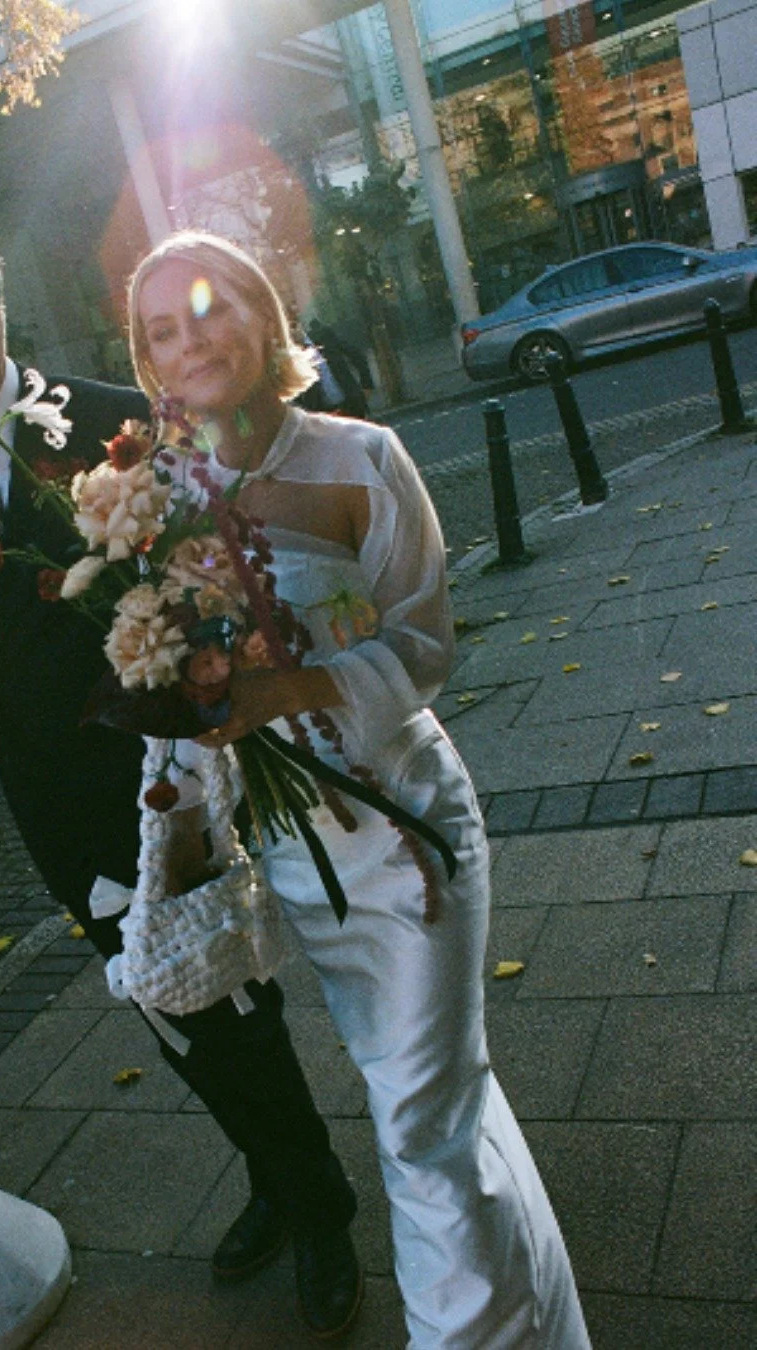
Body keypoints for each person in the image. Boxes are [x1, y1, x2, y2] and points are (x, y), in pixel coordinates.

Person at [0, 221, 362, 1339]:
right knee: (165, 1006)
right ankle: (276, 1174)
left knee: (228, 992)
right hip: (54, 806)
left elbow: (214, 576)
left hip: (172, 775)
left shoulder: (110, 422)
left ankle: (318, 1202)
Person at [127, 230, 592, 1349]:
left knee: (421, 1130)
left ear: (265, 313)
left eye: (211, 307)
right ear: (145, 362)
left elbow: (425, 647)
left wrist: (288, 688)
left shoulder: (361, 457)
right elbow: (170, 681)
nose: (190, 340)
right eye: (160, 330)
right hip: (304, 864)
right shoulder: (153, 497)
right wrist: (180, 800)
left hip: (409, 834)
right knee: (440, 1107)